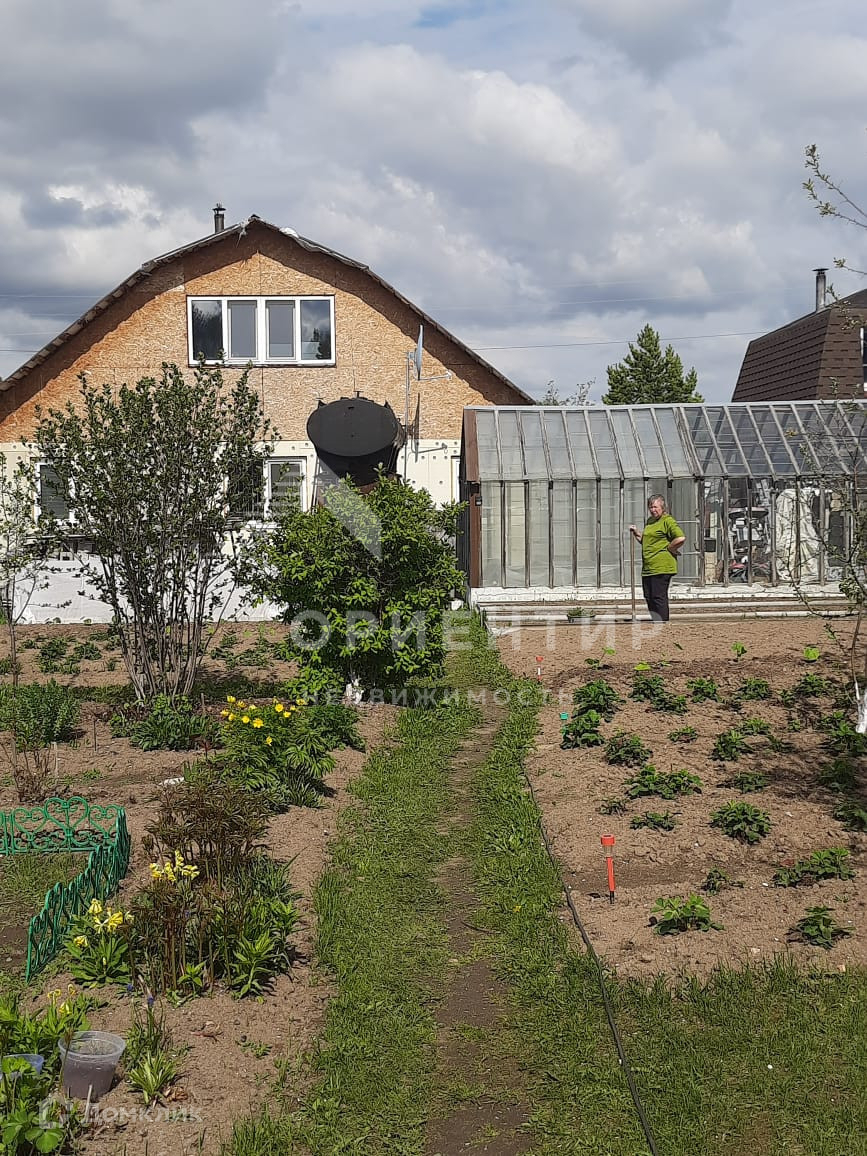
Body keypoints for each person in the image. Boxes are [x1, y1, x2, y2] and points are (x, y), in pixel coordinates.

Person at [629, 495, 686, 623]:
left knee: (658, 596)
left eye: (655, 507)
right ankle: (656, 621)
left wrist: (671, 548)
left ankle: (663, 623)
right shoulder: (650, 521)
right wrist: (637, 533)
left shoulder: (667, 521)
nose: (653, 510)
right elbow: (646, 541)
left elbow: (680, 538)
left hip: (662, 565)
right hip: (648, 566)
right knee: (649, 596)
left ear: (662, 507)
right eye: (650, 507)